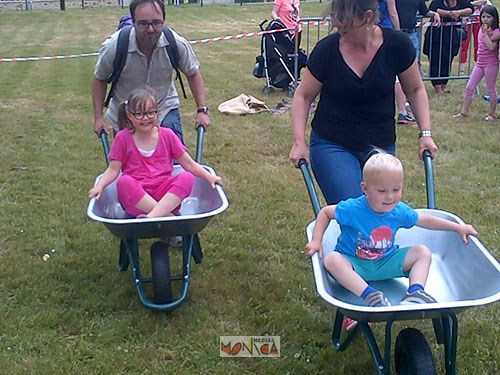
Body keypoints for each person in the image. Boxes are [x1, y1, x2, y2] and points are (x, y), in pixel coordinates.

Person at [289, 0, 438, 206]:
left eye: (346, 26)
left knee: (381, 206)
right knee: (355, 208)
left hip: (380, 142)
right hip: (333, 143)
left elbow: (415, 89)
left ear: (368, 17)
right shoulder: (327, 50)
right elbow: (303, 96)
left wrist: (426, 134)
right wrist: (299, 142)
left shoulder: (397, 45)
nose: (339, 29)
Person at [306, 153, 477, 310]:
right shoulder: (353, 209)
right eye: (382, 191)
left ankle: (416, 292)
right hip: (354, 264)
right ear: (365, 188)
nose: (390, 197)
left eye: (396, 190)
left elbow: (424, 219)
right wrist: (316, 240)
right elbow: (326, 212)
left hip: (385, 262)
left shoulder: (398, 210)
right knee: (332, 260)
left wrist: (457, 227)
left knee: (422, 252)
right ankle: (370, 295)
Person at [88, 88, 222, 219]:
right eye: (139, 114)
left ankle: (152, 216)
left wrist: (209, 177)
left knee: (187, 177)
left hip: (167, 197)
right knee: (124, 182)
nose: (146, 118)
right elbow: (112, 170)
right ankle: (166, 217)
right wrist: (100, 186)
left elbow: (189, 164)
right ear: (129, 115)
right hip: (137, 201)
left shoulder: (167, 135)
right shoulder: (123, 138)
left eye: (151, 113)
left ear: (158, 112)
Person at [92, 0, 210, 143]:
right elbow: (100, 78)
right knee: (130, 162)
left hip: (164, 107)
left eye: (156, 23)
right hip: (127, 113)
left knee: (173, 161)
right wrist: (99, 118)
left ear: (164, 21)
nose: (150, 29)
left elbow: (193, 73)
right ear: (134, 22)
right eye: (143, 23)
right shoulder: (115, 47)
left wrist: (202, 111)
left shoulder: (175, 44)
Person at [453, 5, 500, 121]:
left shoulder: (496, 32)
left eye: (488, 17)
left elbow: (490, 47)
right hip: (480, 63)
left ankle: (492, 113)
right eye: (483, 16)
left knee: (491, 89)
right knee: (470, 87)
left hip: (491, 64)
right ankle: (464, 112)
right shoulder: (481, 28)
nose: (485, 19)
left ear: (494, 19)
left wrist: (485, 34)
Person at [423, 0, 473, 95]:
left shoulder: (461, 1)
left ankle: (443, 85)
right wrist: (449, 14)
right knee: (435, 60)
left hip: (451, 36)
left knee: (448, 60)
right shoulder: (438, 1)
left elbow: (470, 9)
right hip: (435, 35)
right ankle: (437, 87)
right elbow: (433, 9)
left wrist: (458, 12)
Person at [378, 0, 416, 125]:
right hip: (387, 31)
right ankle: (402, 112)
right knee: (395, 75)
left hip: (371, 30)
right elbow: (393, 13)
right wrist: (399, 34)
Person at [396, 0, 441, 69]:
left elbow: (424, 11)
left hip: (412, 33)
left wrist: (435, 14)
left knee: (414, 62)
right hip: (398, 33)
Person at [458, 0, 490, 75]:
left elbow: (484, 1)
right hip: (466, 22)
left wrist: (470, 5)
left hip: (478, 22)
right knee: (464, 46)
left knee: (478, 45)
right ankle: (462, 69)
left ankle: (478, 66)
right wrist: (472, 5)